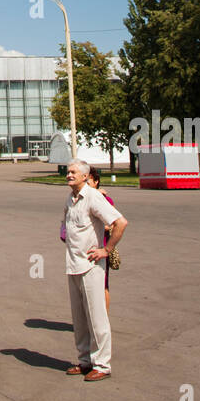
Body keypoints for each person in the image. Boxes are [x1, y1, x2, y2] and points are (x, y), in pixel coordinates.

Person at [62, 161, 127, 381]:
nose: (68, 175)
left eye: (73, 172)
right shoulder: (70, 199)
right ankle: (85, 361)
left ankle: (102, 364)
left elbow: (120, 223)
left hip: (91, 267)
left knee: (97, 318)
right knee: (79, 320)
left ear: (84, 176)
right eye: (68, 172)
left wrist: (106, 250)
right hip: (73, 265)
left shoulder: (93, 197)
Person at [87, 168, 115, 313]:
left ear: (96, 182)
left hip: (101, 248)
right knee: (88, 287)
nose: (85, 185)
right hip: (86, 250)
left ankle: (104, 319)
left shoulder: (105, 200)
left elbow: (111, 224)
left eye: (88, 182)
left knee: (103, 286)